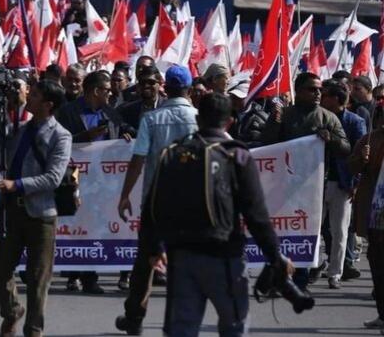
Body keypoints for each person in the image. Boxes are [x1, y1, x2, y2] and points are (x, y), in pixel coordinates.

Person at [140, 93, 291, 337]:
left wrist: (154, 249)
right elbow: (256, 214)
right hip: (225, 256)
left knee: (181, 330)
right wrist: (274, 255)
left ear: (198, 119)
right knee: (233, 326)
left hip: (182, 256)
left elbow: (153, 206)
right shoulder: (237, 155)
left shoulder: (174, 154)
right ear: (229, 121)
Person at [115, 65, 198, 335]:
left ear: (165, 87)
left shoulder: (152, 119)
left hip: (156, 202)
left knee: (145, 264)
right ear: (188, 88)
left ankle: (135, 318)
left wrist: (125, 194)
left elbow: (138, 159)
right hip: (191, 204)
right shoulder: (199, 118)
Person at [0, 80, 72, 337]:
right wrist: (2, 110)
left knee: (38, 278)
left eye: (34, 96)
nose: (29, 99)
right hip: (12, 212)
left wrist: (18, 185)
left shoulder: (60, 135)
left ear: (48, 105)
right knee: (0, 266)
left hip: (41, 215)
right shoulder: (21, 128)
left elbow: (53, 178)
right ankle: (12, 309)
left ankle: (34, 330)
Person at [261, 72, 349, 289]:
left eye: (320, 90)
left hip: (313, 187)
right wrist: (275, 122)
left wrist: (331, 139)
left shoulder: (328, 118)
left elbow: (346, 149)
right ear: (298, 91)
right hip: (284, 185)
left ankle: (300, 278)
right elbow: (267, 145)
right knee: (282, 234)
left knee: (307, 233)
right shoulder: (286, 115)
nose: (318, 93)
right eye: (312, 89)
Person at [57, 70, 133, 293]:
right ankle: (72, 275)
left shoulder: (110, 112)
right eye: (106, 91)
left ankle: (91, 277)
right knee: (75, 226)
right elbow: (59, 140)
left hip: (101, 180)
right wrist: (85, 137)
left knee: (94, 227)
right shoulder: (67, 112)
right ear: (95, 91)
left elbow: (123, 128)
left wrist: (127, 134)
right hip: (75, 178)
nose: (110, 95)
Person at [320, 80, 366, 289]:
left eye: (326, 95)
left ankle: (335, 273)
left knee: (340, 230)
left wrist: (355, 183)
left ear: (336, 99)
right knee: (312, 228)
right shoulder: (317, 118)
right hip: (316, 183)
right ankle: (308, 266)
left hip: (342, 184)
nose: (321, 98)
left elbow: (360, 155)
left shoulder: (355, 122)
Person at [349, 112, 384, 330]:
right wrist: (362, 158)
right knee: (378, 266)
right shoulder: (370, 139)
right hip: (375, 214)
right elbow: (352, 168)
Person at [118, 67, 162, 132]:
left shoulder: (169, 108)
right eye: (142, 82)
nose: (146, 85)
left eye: (151, 82)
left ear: (159, 84)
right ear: (138, 85)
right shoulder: (127, 111)